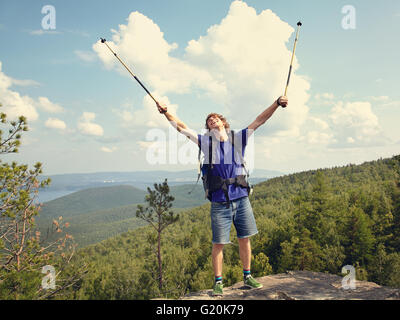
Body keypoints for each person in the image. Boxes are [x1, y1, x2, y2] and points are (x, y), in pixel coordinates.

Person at [156, 96, 288, 296]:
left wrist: (277, 103)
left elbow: (260, 120)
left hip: (242, 199)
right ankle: (218, 281)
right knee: (218, 243)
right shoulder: (206, 143)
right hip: (220, 202)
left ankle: (247, 276)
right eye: (209, 121)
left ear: (223, 123)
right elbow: (181, 126)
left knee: (245, 239)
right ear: (208, 129)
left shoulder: (238, 138)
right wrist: (166, 112)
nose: (212, 121)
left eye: (215, 118)